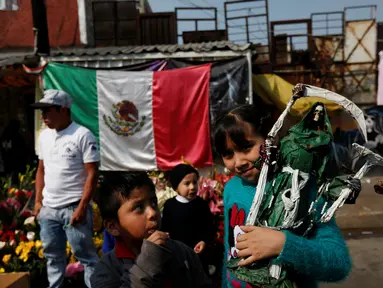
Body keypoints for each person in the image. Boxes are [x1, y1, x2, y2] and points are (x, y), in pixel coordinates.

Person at [213, 104, 352, 288]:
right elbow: (229, 252)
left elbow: (339, 264)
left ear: (272, 136)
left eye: (246, 148)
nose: (238, 162)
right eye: (228, 154)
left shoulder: (302, 188)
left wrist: (283, 244)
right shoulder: (232, 188)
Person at [91, 171, 211, 287]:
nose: (152, 213)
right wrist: (147, 264)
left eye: (153, 202)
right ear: (113, 226)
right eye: (138, 207)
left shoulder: (182, 252)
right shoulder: (106, 270)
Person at [32, 89, 100, 288]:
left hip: (74, 208)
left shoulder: (82, 135)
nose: (43, 116)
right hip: (49, 210)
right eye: (41, 111)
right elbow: (41, 170)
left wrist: (82, 206)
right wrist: (38, 202)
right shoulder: (44, 136)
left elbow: (93, 173)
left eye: (47, 110)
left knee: (87, 257)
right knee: (53, 257)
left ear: (63, 110)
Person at [161, 164, 215, 272]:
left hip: (198, 255)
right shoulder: (170, 205)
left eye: (195, 182)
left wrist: (204, 241)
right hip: (177, 255)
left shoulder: (201, 205)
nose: (192, 187)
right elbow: (165, 228)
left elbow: (209, 227)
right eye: (187, 183)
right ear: (176, 187)